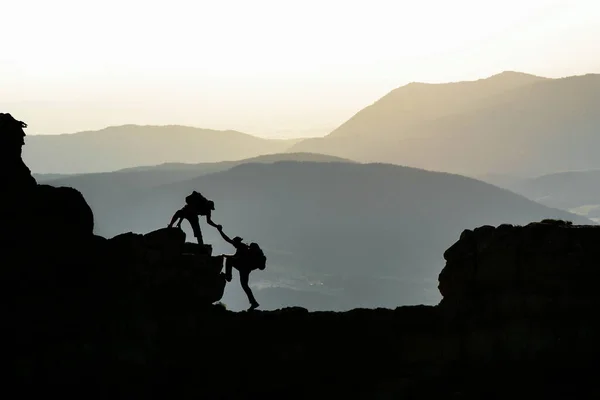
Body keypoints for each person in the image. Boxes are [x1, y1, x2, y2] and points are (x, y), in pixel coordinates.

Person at [216, 226, 261, 310]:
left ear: (237, 242)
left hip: (244, 267)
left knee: (229, 261)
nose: (233, 243)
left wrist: (220, 231)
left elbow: (236, 256)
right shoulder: (241, 247)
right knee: (245, 285)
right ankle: (254, 302)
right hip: (244, 268)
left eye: (234, 242)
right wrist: (225, 255)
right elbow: (235, 256)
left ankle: (228, 277)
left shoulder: (242, 247)